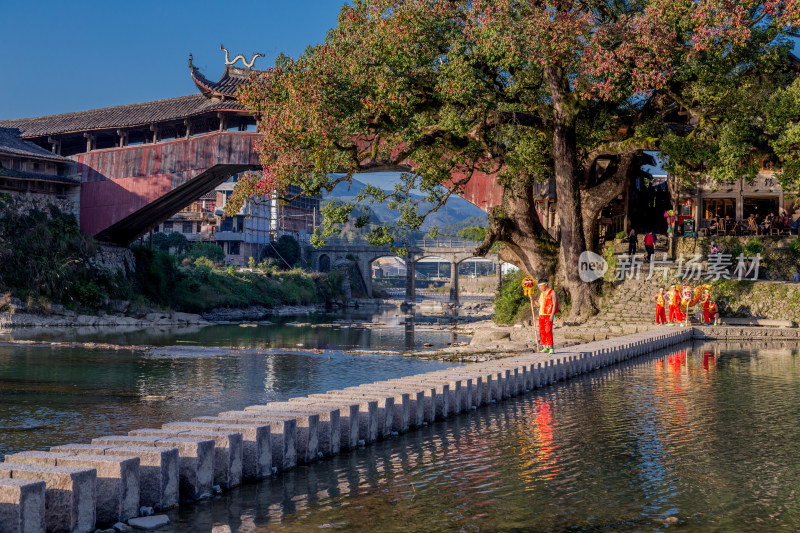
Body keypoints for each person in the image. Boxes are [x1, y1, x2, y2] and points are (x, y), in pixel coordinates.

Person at [537, 279, 558, 354]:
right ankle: (545, 347)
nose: (540, 287)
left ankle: (551, 347)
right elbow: (539, 304)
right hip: (541, 315)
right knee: (542, 331)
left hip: (549, 314)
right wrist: (532, 299)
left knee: (548, 330)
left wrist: (552, 315)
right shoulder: (542, 294)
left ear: (545, 284)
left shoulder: (552, 292)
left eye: (540, 286)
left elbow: (555, 304)